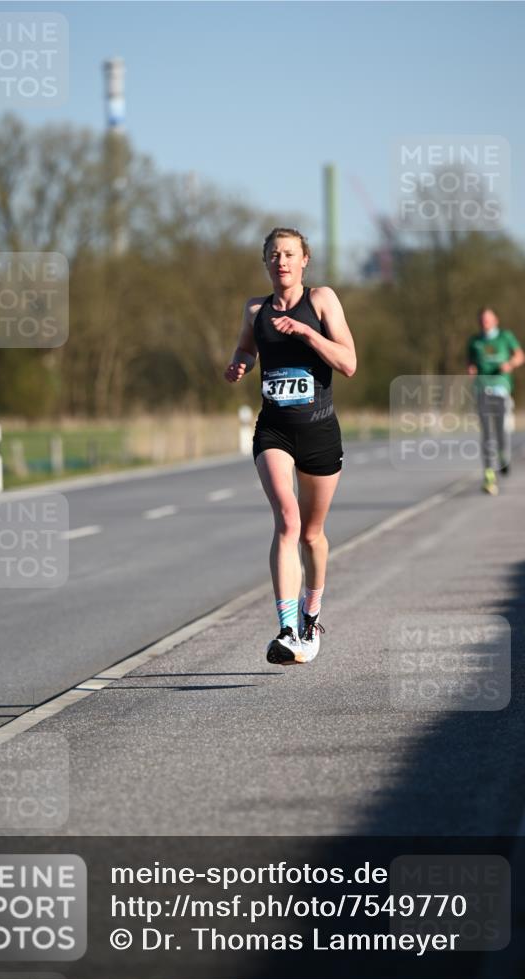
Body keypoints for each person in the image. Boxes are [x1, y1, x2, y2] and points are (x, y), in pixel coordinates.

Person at [224, 227, 356, 663]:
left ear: (304, 261)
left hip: (320, 432)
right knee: (287, 519)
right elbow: (247, 349)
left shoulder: (321, 301)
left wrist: (307, 334)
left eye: (289, 254)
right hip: (274, 430)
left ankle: (310, 616)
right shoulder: (255, 309)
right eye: (273, 255)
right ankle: (285, 630)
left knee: (313, 535)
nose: (281, 261)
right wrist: (239, 364)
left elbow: (349, 363)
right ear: (265, 262)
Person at [467, 308, 525, 495]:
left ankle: (502, 457)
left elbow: (520, 356)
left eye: (488, 319)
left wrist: (510, 364)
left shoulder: (505, 337)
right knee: (486, 432)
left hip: (501, 389)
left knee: (500, 430)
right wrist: (471, 369)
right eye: (482, 319)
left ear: (496, 320)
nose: (485, 322)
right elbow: (471, 362)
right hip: (482, 389)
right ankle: (489, 474)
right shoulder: (474, 341)